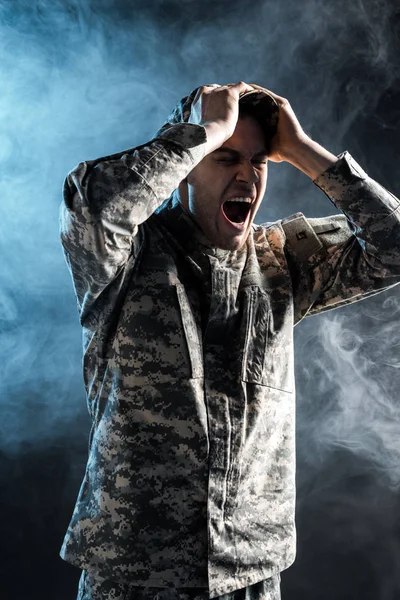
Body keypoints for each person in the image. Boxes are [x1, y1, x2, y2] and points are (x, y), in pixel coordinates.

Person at [59, 82, 400, 600]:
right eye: (224, 158)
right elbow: (89, 206)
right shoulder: (125, 256)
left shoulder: (283, 260)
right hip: (133, 573)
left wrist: (305, 151)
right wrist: (201, 132)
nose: (246, 176)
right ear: (186, 170)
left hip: (250, 575)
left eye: (258, 161)